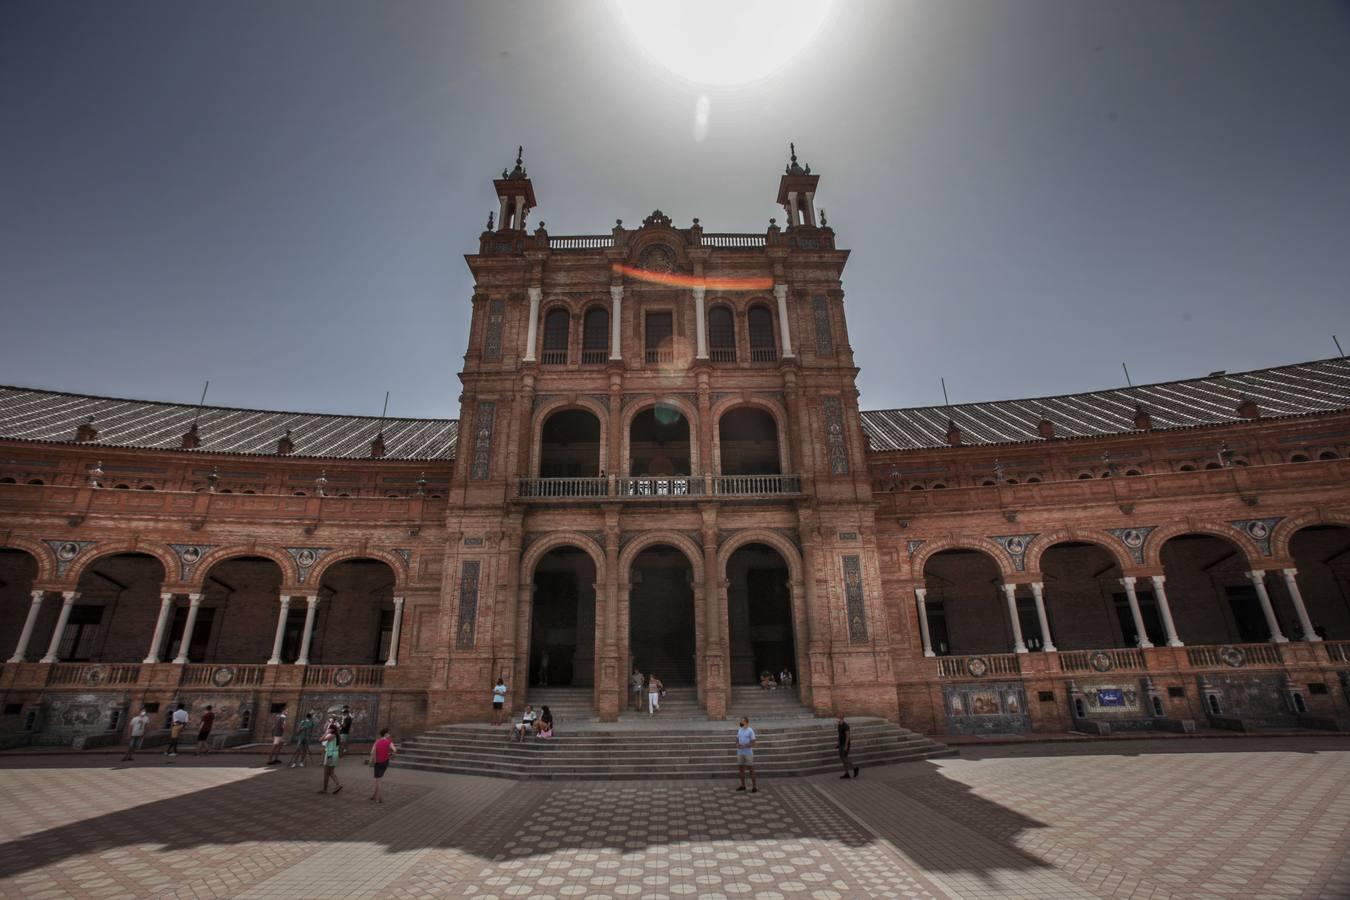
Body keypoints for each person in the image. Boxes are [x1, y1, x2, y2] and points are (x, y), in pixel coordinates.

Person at [369, 727, 396, 803]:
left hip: (378, 762)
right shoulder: (389, 742)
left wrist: (372, 760)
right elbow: (394, 750)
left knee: (378, 780)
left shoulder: (377, 741)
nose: (389, 734)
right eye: (388, 733)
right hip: (385, 762)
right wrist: (390, 755)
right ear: (385, 734)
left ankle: (379, 797)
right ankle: (374, 795)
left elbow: (372, 752)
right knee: (379, 779)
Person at [735, 717, 758, 793]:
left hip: (748, 753)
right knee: (741, 769)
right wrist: (737, 744)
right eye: (741, 721)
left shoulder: (750, 731)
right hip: (740, 752)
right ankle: (743, 786)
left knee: (751, 769)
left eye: (743, 721)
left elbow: (753, 743)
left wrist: (746, 745)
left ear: (747, 722)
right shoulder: (740, 730)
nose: (741, 723)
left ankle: (754, 787)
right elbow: (737, 739)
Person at [837, 713, 859, 779]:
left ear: (841, 718)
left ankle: (855, 768)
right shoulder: (839, 725)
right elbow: (840, 734)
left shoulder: (845, 725)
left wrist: (846, 745)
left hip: (845, 744)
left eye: (838, 717)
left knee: (844, 758)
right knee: (842, 759)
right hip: (841, 744)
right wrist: (838, 743)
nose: (837, 719)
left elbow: (847, 736)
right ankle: (847, 773)